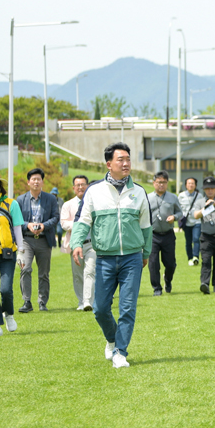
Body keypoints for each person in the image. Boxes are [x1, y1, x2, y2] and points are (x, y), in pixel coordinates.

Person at [71, 142, 152, 369]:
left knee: (127, 307)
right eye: (120, 159)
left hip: (132, 259)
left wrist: (145, 253)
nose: (126, 163)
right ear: (109, 164)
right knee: (100, 308)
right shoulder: (94, 191)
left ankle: (120, 352)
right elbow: (83, 221)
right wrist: (77, 242)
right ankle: (112, 338)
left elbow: (146, 226)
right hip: (104, 259)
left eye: (128, 159)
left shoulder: (138, 192)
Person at [16, 168, 60, 312]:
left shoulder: (51, 199)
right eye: (33, 179)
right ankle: (27, 302)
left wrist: (43, 225)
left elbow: (55, 218)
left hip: (44, 239)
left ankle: (42, 302)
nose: (36, 182)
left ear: (42, 182)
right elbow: (16, 220)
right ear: (28, 182)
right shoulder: (20, 200)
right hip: (27, 240)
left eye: (38, 179)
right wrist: (27, 224)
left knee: (44, 273)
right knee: (26, 269)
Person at [0, 172, 25, 337]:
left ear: (0, 186)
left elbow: (17, 229)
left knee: (6, 289)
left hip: (8, 253)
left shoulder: (11, 204)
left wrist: (21, 251)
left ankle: (8, 314)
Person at [60, 175, 96, 311]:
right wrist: (80, 224)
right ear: (73, 188)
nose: (80, 187)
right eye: (78, 185)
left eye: (83, 184)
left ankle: (88, 301)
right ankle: (81, 301)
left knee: (90, 271)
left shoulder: (94, 203)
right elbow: (63, 223)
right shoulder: (68, 205)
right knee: (77, 274)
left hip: (92, 244)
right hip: (75, 244)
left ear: (87, 186)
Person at [147, 170, 183, 296]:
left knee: (170, 263)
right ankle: (157, 288)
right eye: (158, 182)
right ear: (154, 183)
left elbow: (180, 213)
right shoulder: (148, 198)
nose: (161, 185)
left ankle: (167, 280)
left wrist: (174, 217)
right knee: (153, 263)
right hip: (153, 235)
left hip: (168, 234)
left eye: (164, 182)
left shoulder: (172, 197)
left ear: (167, 183)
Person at [178, 177, 202, 267]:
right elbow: (178, 208)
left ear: (195, 185)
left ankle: (196, 256)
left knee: (196, 238)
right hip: (186, 222)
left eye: (192, 183)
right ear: (186, 185)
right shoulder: (181, 195)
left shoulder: (199, 195)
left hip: (197, 221)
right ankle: (190, 258)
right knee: (188, 241)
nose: (191, 185)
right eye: (189, 183)